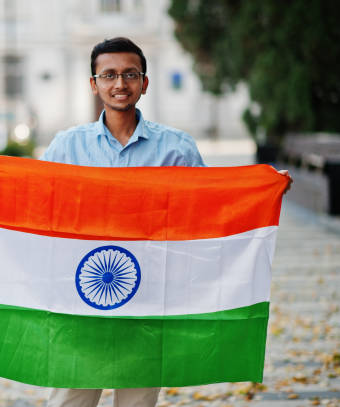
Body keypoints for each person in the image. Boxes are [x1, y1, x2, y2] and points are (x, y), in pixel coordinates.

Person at [41, 37, 291, 407]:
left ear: (145, 82)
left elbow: (207, 211)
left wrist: (261, 190)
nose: (120, 84)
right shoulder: (66, 147)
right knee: (69, 400)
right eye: (108, 75)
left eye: (130, 74)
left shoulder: (176, 148)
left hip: (149, 294)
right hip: (83, 296)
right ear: (94, 84)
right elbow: (35, 204)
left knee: (137, 402)